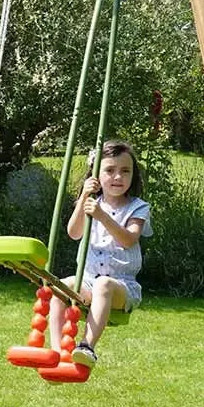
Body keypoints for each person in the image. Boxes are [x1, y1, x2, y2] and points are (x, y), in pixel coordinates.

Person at [48, 140, 152, 370]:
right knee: (59, 287)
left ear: (133, 175)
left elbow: (128, 239)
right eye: (110, 170)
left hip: (122, 287)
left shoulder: (138, 207)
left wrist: (103, 216)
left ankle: (87, 347)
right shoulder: (91, 203)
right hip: (87, 281)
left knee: (104, 284)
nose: (117, 177)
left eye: (125, 171)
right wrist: (85, 197)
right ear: (96, 175)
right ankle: (56, 351)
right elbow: (74, 233)